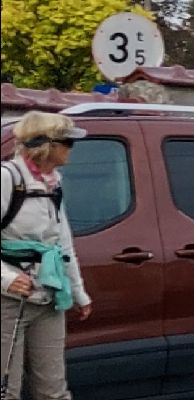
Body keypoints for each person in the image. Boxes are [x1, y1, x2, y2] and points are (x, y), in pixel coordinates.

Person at [0, 111, 93, 400]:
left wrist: (78, 293)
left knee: (53, 392)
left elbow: (62, 243)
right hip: (8, 303)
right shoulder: (7, 179)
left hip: (50, 296)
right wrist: (5, 280)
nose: (71, 148)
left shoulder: (53, 183)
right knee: (7, 392)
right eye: (67, 142)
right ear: (46, 144)